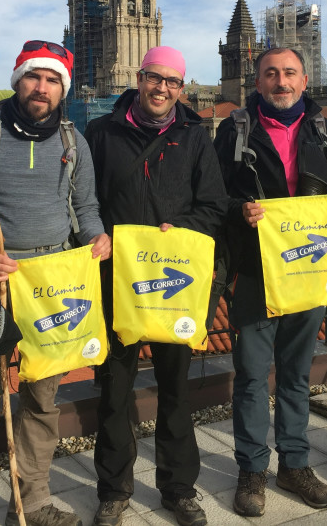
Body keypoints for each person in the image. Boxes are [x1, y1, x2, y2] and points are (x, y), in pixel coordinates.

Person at [0, 40, 110, 526]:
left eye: (53, 79)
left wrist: (97, 238)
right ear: (19, 80)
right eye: (34, 77)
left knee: (41, 400)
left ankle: (31, 503)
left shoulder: (73, 141)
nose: (42, 87)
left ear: (63, 89)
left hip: (51, 282)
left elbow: (87, 207)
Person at [84, 46, 227, 526]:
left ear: (181, 89)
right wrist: (99, 234)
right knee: (114, 390)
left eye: (172, 82)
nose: (162, 88)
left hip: (172, 282)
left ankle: (178, 488)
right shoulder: (102, 132)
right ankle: (114, 489)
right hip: (116, 280)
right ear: (139, 79)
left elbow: (212, 205)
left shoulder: (194, 136)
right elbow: (84, 201)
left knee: (175, 389)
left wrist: (179, 226)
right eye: (153, 78)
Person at [214, 47, 327, 517]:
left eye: (289, 72)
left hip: (309, 273)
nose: (281, 81)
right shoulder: (234, 131)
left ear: (305, 80)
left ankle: (295, 465)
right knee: (253, 378)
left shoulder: (326, 132)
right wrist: (241, 211)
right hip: (255, 273)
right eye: (271, 73)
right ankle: (252, 471)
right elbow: (216, 198)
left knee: (296, 376)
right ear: (257, 81)